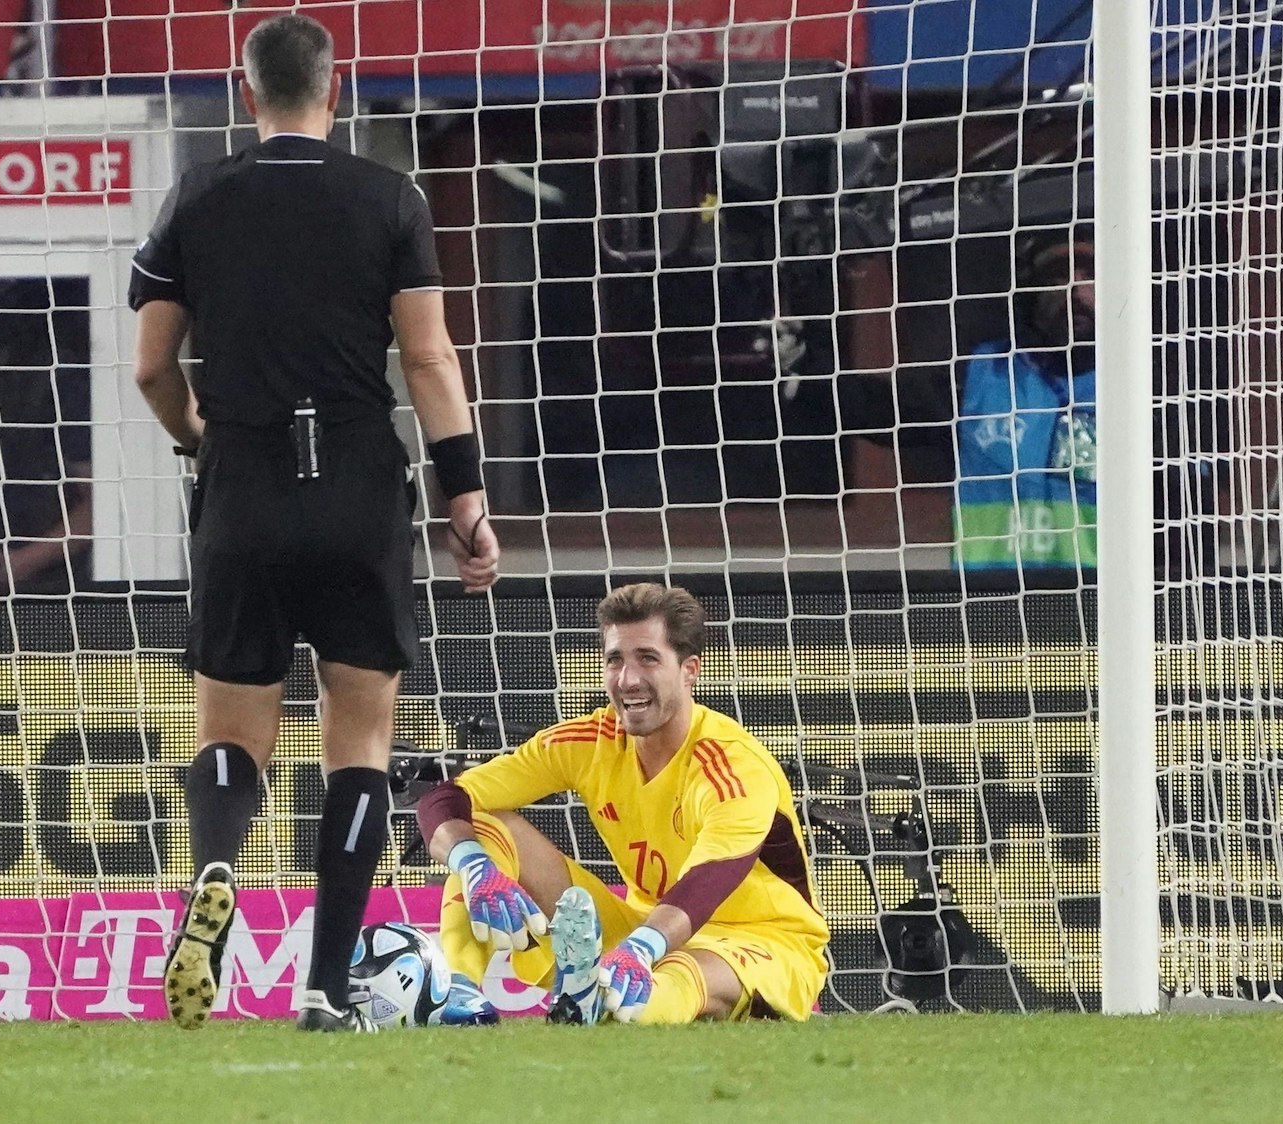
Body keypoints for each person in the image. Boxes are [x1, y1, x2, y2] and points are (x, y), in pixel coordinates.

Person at [126, 13, 500, 1033]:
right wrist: (465, 494)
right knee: (360, 737)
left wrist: (199, 436)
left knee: (231, 730)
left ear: (246, 94)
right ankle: (325, 984)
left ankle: (212, 867)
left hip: (242, 482)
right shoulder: (388, 196)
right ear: (335, 92)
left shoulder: (198, 196)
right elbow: (426, 358)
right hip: (356, 487)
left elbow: (151, 365)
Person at [414, 582, 830, 1024]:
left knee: (682, 973)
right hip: (644, 925)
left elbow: (707, 883)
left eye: (648, 658)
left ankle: (603, 1002)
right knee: (483, 827)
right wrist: (475, 865)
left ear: (690, 670)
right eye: (615, 660)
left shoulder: (732, 764)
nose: (627, 680)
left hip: (759, 941)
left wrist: (640, 950)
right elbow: (446, 797)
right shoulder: (590, 740)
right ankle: (457, 993)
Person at [953, 232, 1099, 572]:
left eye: (1090, 276)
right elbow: (879, 406)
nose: (1074, 293)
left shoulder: (1149, 392)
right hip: (989, 609)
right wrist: (809, 372)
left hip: (1103, 611)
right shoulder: (981, 377)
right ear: (1028, 294)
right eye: (1058, 278)